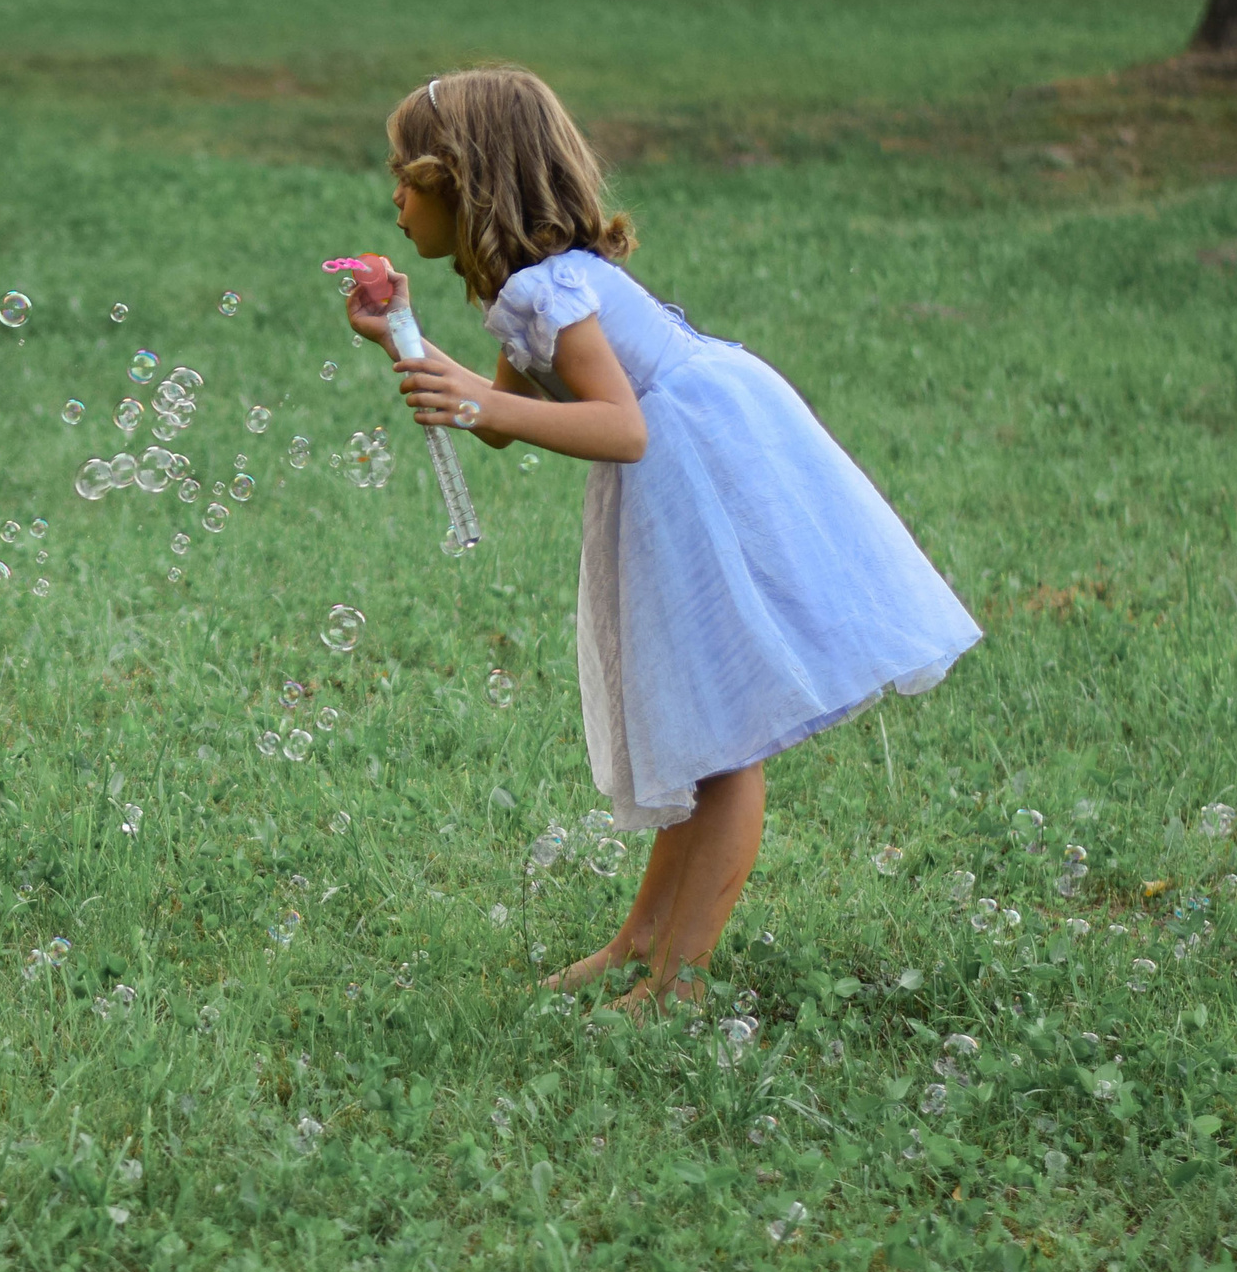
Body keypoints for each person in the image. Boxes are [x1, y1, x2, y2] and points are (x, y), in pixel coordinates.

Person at [347, 68, 980, 1012]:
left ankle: (680, 981)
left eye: (406, 175)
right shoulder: (528, 291)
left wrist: (482, 399)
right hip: (679, 471)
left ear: (462, 181)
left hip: (700, 467)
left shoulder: (553, 288)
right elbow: (497, 418)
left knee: (725, 738)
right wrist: (401, 332)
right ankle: (641, 939)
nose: (393, 197)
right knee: (694, 726)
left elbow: (621, 426)